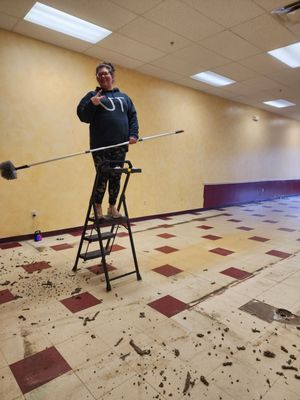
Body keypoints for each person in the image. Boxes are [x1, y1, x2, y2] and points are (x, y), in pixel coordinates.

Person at [77, 62, 139, 219]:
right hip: (100, 146)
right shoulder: (92, 96)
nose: (103, 76)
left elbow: (132, 116)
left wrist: (134, 135)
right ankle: (97, 208)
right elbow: (83, 116)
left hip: (120, 145)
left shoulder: (124, 98)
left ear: (112, 76)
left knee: (116, 177)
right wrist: (92, 104)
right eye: (99, 74)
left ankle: (112, 207)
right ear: (97, 78)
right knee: (102, 176)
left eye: (106, 73)